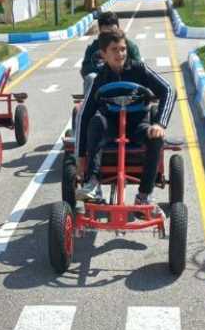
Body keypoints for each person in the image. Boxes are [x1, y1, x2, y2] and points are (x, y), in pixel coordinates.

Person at [75, 29, 175, 206]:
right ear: (104, 54)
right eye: (114, 50)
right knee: (96, 121)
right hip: (110, 125)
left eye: (123, 49)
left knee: (157, 139)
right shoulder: (100, 78)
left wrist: (159, 124)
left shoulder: (139, 69)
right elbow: (84, 115)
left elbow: (168, 90)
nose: (120, 54)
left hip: (138, 125)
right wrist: (80, 155)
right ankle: (93, 185)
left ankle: (144, 195)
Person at [81, 11, 141, 94]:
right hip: (102, 86)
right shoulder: (93, 48)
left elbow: (138, 66)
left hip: (127, 86)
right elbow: (85, 69)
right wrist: (105, 71)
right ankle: (90, 105)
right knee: (90, 77)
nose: (110, 37)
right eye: (106, 34)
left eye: (113, 32)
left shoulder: (129, 46)